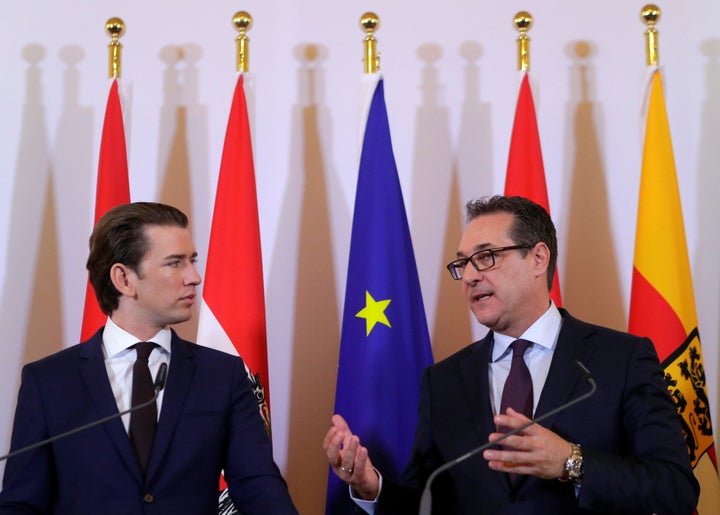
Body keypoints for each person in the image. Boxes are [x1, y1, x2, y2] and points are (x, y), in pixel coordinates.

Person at [324, 195, 699, 514]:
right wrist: (371, 486)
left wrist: (571, 462)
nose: (469, 275)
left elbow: (676, 488)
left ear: (538, 259)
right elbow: (426, 500)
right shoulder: (444, 381)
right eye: (462, 263)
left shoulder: (622, 359)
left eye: (486, 257)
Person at [0, 202, 298, 514]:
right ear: (124, 279)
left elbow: (259, 487)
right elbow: (21, 504)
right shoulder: (49, 381)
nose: (194, 277)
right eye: (175, 263)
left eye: (192, 261)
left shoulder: (223, 375)